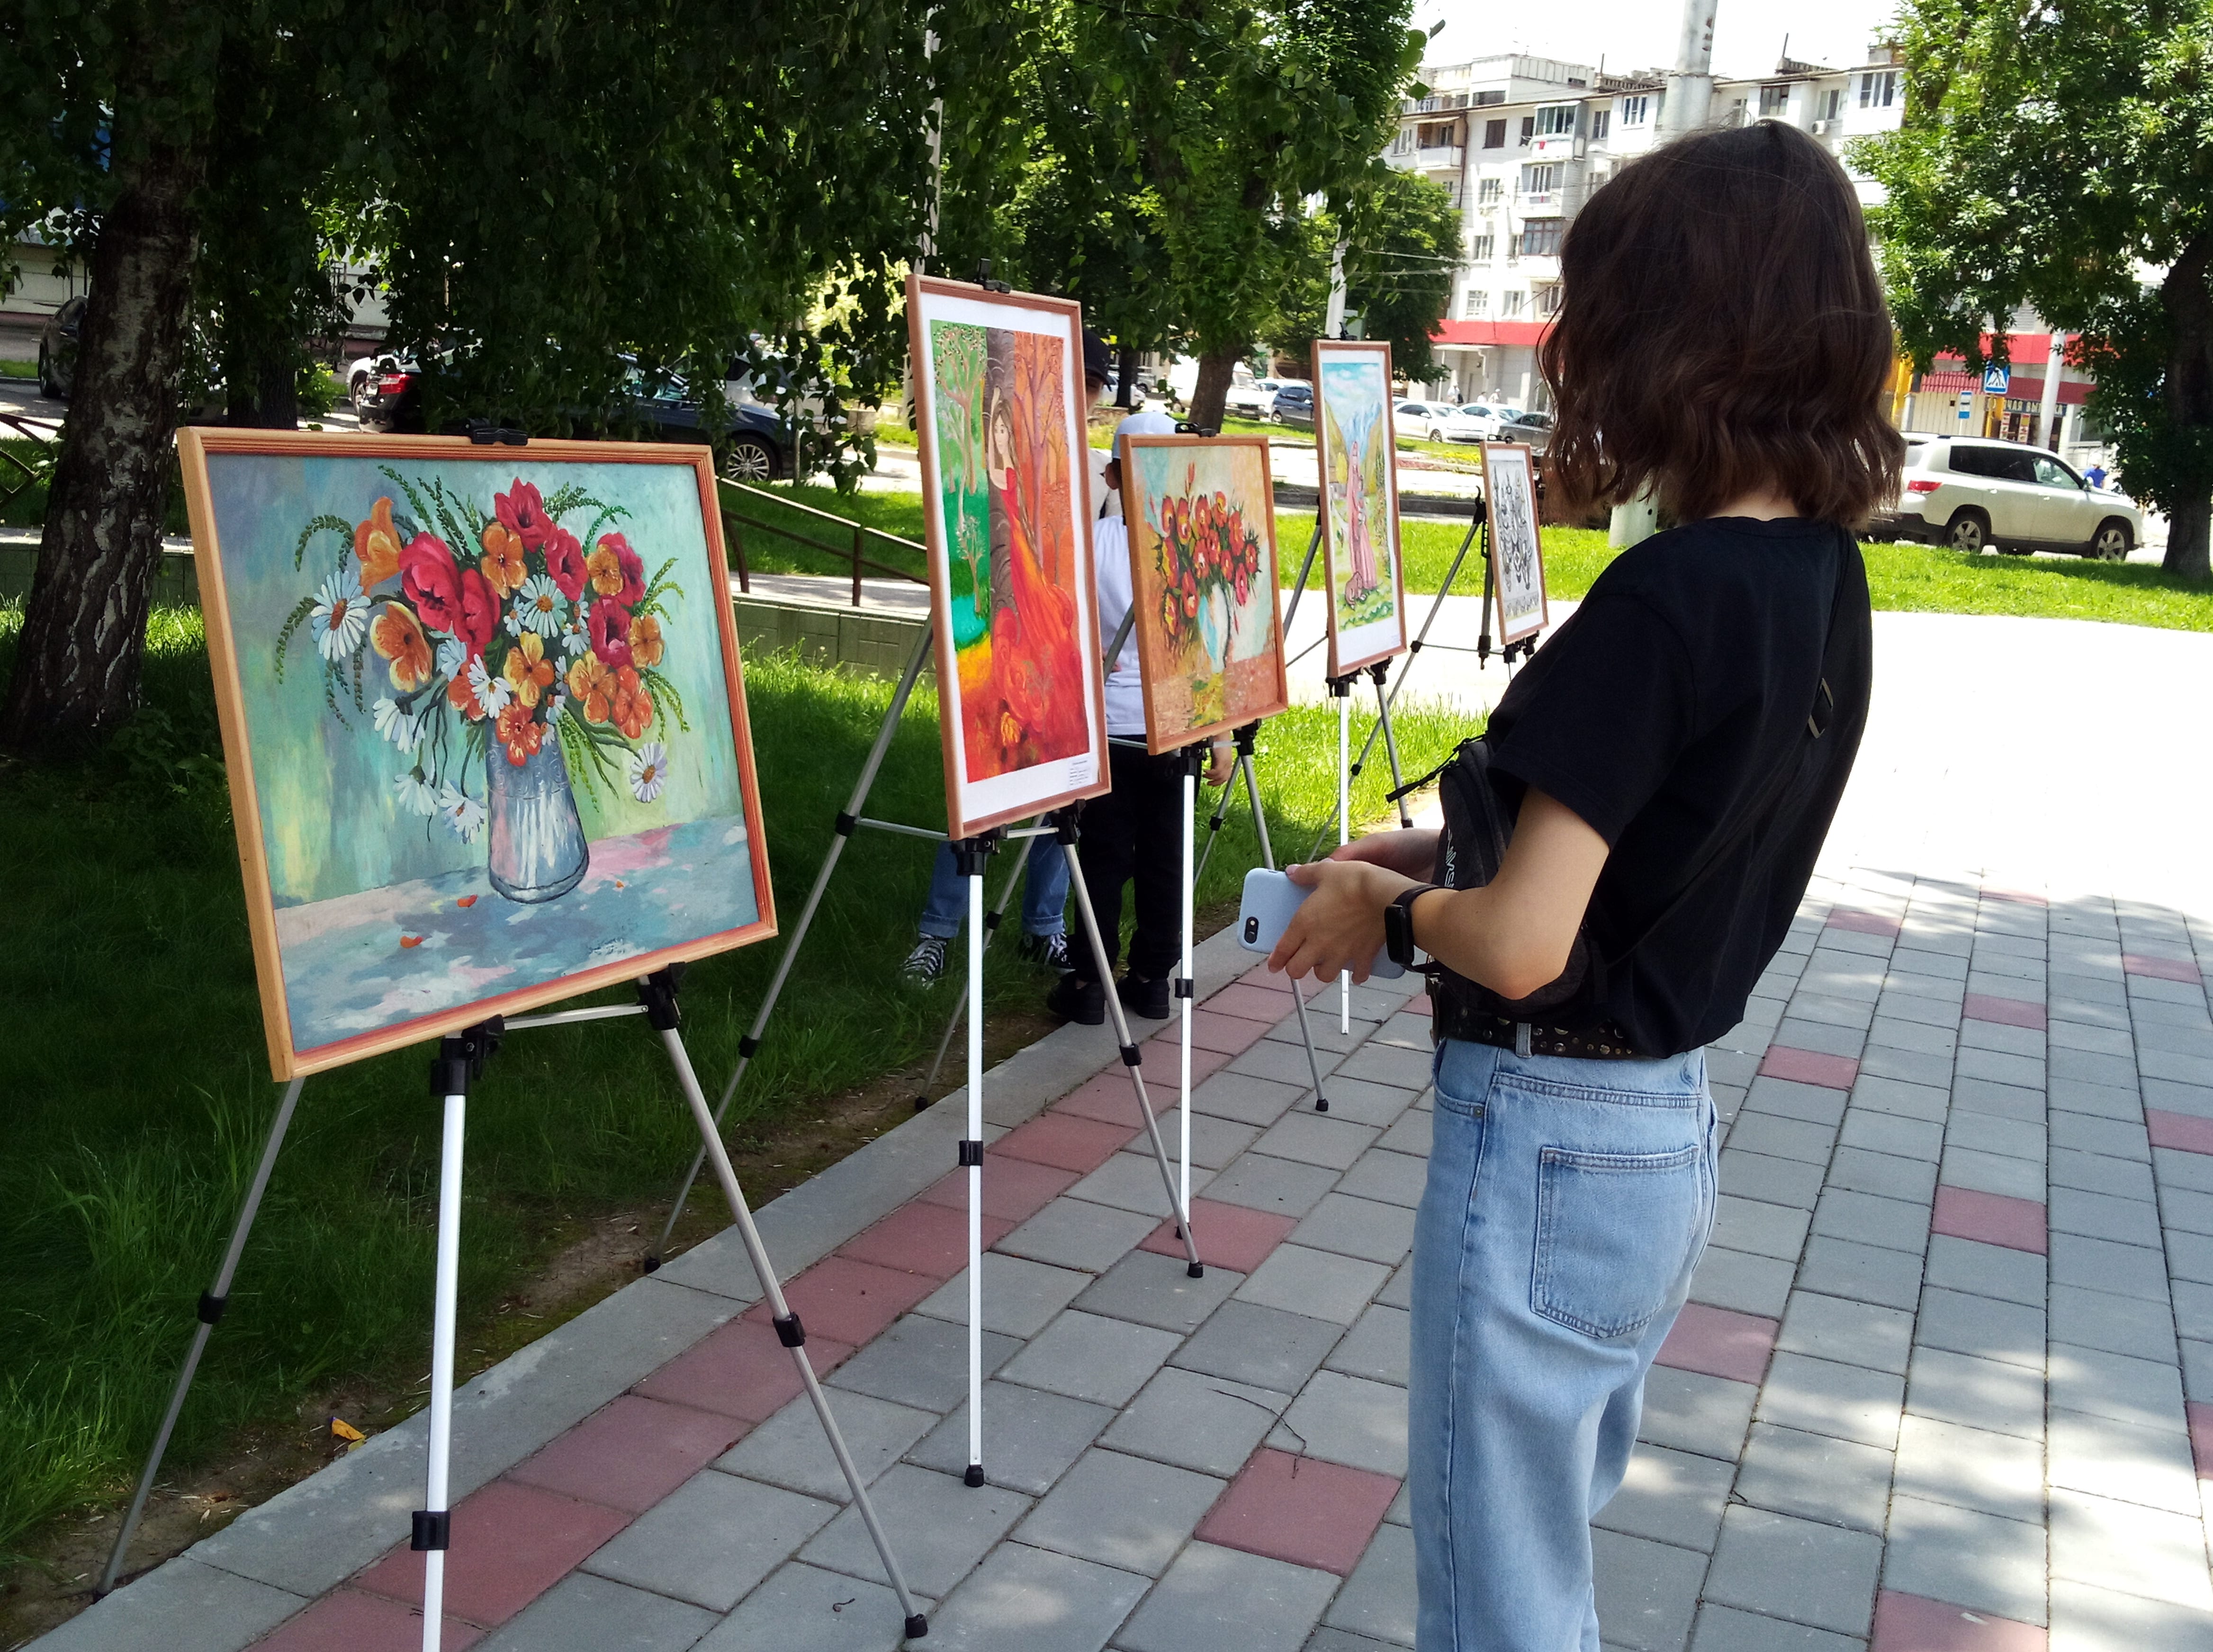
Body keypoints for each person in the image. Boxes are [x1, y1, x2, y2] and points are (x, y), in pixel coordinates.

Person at [1266, 120, 1893, 1651]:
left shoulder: (1666, 593)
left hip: (1546, 1132)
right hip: (1656, 1139)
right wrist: (1424, 856)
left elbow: (1523, 944)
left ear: (1674, 330)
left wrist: (1383, 913)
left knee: (1499, 1597)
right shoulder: (1818, 578)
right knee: (1539, 1562)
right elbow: (1657, 849)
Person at [900, 332, 1117, 983]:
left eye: (1088, 388)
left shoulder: (1099, 472)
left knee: (1064, 798)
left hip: (1067, 650)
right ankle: (939, 930)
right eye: (1071, 383)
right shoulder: (994, 449)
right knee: (982, 786)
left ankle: (1044, 926)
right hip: (999, 636)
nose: (1077, 398)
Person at [1048, 409, 1230, 1024]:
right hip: (1177, 730)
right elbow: (1213, 646)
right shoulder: (1195, 544)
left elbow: (1066, 637)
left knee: (1101, 857)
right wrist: (1221, 735)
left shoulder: (1088, 544)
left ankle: (1089, 982)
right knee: (1165, 859)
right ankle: (1153, 978)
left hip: (1109, 730)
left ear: (1111, 475)